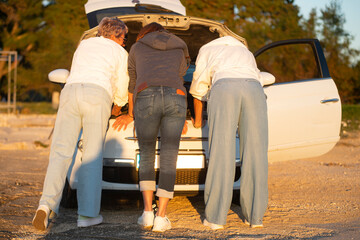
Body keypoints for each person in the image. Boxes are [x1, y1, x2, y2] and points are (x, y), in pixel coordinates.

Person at [32, 17, 129, 230]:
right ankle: (87, 215)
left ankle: (45, 206)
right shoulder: (121, 53)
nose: (124, 42)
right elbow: (122, 84)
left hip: (70, 92)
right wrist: (119, 105)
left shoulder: (84, 44)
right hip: (97, 94)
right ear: (115, 35)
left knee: (60, 152)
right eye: (124, 37)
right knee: (91, 156)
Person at [112, 22, 189, 232]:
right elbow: (181, 73)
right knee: (169, 156)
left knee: (146, 154)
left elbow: (133, 82)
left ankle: (147, 213)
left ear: (144, 34)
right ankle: (161, 218)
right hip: (177, 97)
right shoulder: (180, 46)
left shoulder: (136, 48)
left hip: (146, 96)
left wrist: (131, 114)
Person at [189, 36, 268, 229]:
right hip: (254, 89)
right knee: (256, 153)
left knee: (221, 152)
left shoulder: (207, 49)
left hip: (224, 87)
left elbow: (199, 88)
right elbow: (259, 77)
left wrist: (198, 120)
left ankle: (215, 219)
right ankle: (255, 218)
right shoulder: (245, 52)